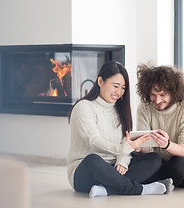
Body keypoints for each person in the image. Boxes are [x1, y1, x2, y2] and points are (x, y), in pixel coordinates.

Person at [67, 61, 173, 197]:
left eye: (123, 88)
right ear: (100, 81)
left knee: (154, 159)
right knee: (93, 160)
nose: (119, 92)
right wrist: (124, 149)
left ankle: (106, 190)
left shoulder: (120, 109)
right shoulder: (84, 107)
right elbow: (93, 141)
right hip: (87, 171)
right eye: (115, 86)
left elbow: (125, 142)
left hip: (114, 168)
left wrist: (122, 160)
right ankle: (140, 189)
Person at [136, 64, 184, 188]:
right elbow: (147, 151)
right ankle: (157, 182)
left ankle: (150, 180)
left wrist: (166, 145)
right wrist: (139, 147)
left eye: (163, 95)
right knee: (134, 158)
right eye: (153, 94)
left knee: (177, 166)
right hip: (162, 161)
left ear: (173, 92)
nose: (157, 101)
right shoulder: (144, 107)